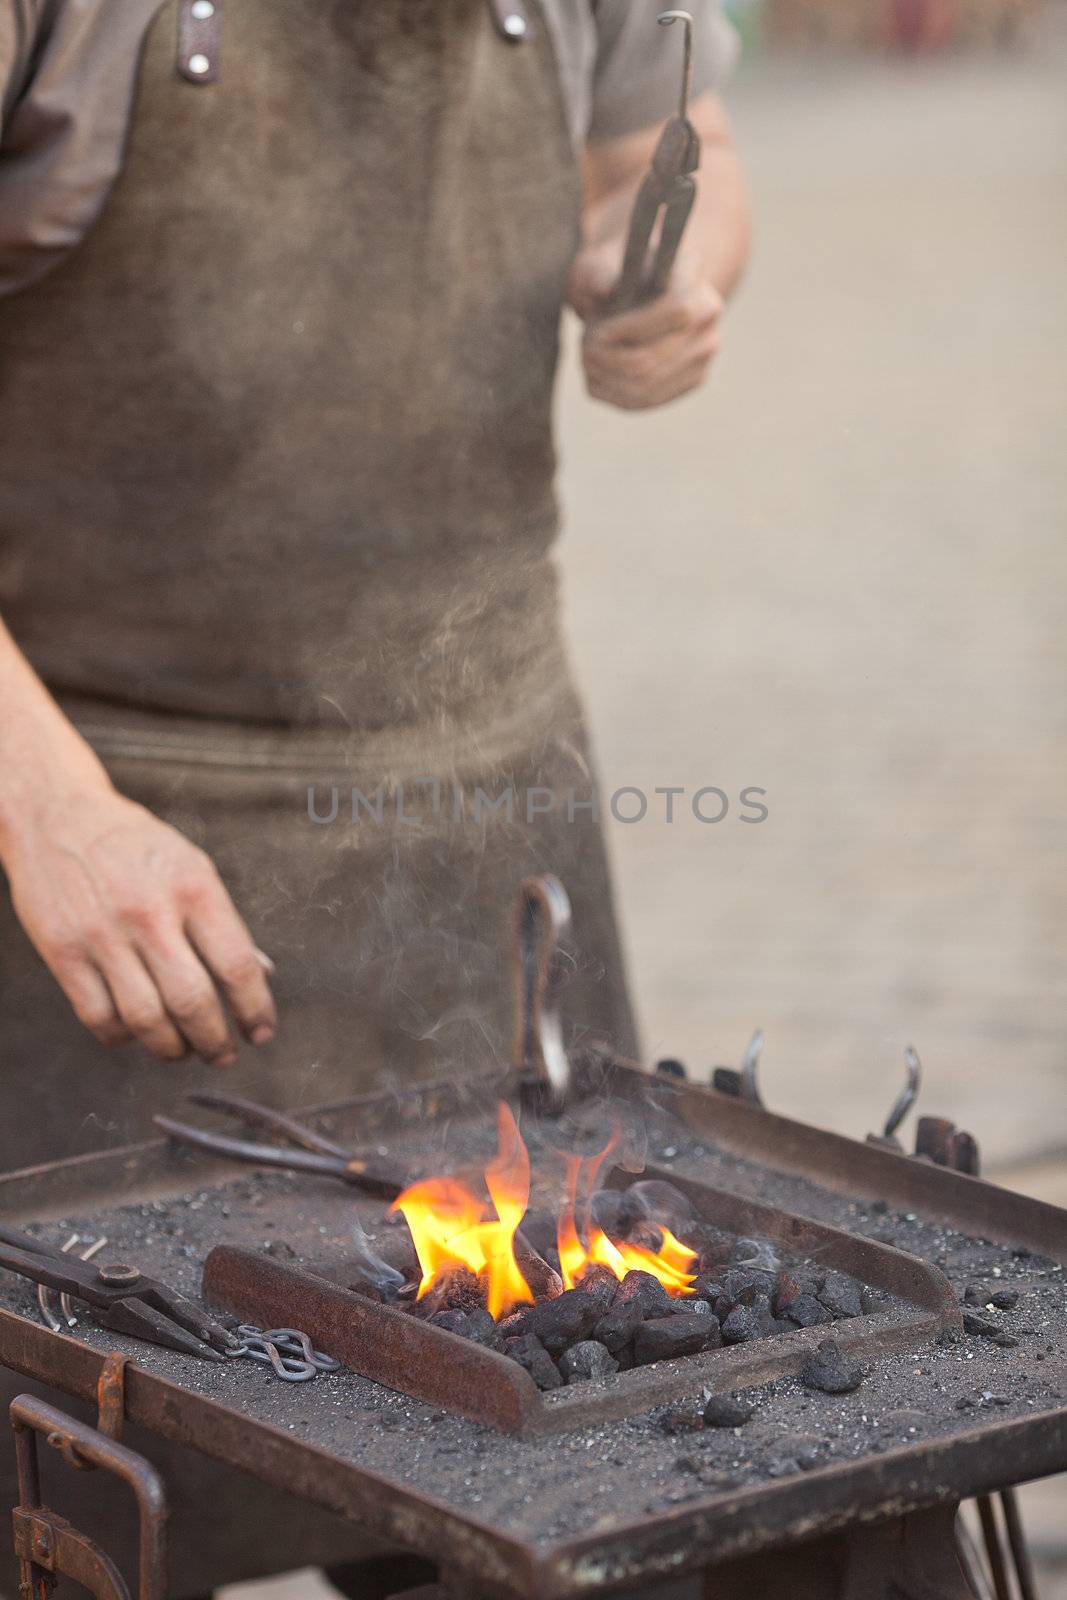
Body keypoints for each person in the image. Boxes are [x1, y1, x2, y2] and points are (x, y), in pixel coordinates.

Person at [0, 1, 750, 1587]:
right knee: (68, 1499)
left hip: (494, 816)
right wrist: (42, 804)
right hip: (97, 830)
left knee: (552, 1477)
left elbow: (667, 157)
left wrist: (670, 266)